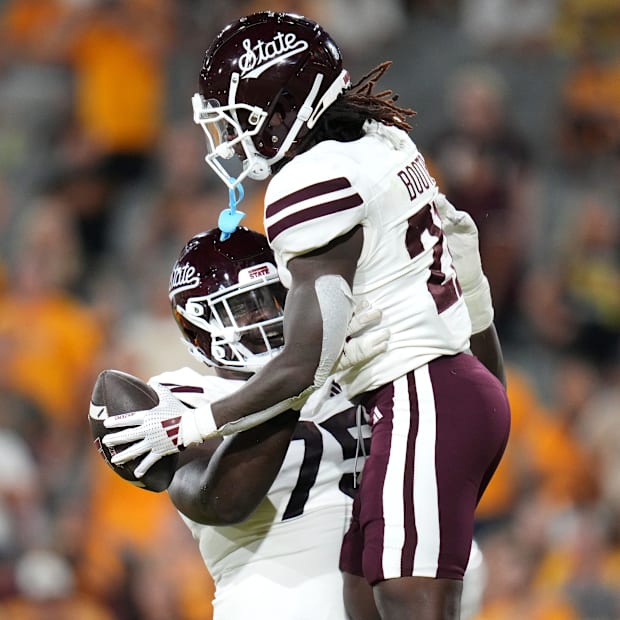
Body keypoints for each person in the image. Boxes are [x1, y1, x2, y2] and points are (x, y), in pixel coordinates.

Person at [103, 13, 511, 619]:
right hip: (413, 411)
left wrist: (210, 419)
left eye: (273, 296)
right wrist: (197, 421)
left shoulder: (312, 203)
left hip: (422, 394)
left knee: (403, 596)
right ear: (193, 324)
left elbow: (311, 363)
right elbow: (220, 497)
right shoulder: (380, 145)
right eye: (236, 307)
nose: (263, 318)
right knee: (366, 594)